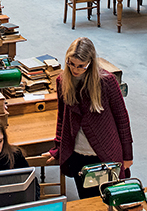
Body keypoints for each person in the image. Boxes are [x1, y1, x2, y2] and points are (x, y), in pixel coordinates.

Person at [44, 38, 132, 199]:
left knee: (111, 200)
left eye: (81, 66)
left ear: (90, 63)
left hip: (105, 156)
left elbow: (122, 119)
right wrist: (58, 147)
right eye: (71, 64)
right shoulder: (63, 81)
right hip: (79, 156)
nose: (75, 69)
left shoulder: (106, 82)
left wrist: (127, 155)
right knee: (87, 202)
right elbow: (62, 118)